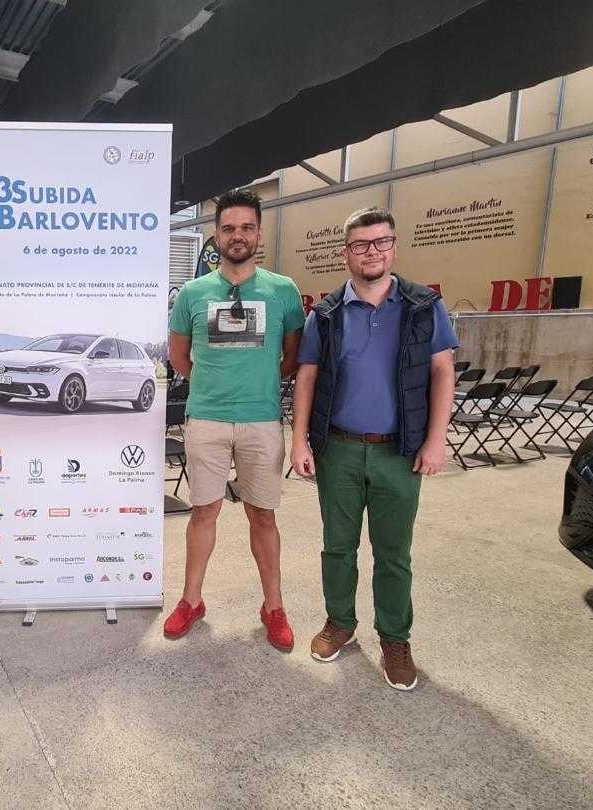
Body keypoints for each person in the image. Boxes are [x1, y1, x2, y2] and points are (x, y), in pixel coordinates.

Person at [290, 206, 457, 691]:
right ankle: (340, 623)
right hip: (338, 450)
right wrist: (299, 440)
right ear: (347, 253)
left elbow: (442, 371)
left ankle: (395, 639)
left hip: (399, 452)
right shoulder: (325, 314)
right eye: (361, 244)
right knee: (337, 547)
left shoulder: (424, 308)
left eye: (382, 242)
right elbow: (307, 377)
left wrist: (436, 438)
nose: (372, 252)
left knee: (393, 553)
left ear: (394, 247)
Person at [164, 189, 305, 649]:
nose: (237, 235)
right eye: (228, 228)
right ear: (217, 235)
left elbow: (292, 358)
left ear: (259, 234)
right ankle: (191, 600)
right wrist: (213, 385)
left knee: (262, 515)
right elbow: (179, 357)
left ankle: (273, 607)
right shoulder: (192, 293)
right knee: (203, 512)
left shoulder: (283, 291)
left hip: (261, 421)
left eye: (246, 227)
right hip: (206, 419)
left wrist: (254, 382)